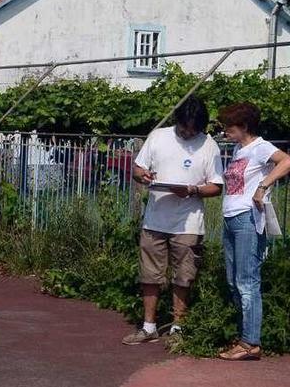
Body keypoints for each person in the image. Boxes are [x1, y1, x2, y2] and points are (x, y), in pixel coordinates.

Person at [122, 95, 224, 345]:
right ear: (177, 121)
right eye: (183, 128)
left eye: (193, 130)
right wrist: (142, 176)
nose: (188, 134)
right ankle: (149, 326)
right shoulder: (158, 136)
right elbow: (137, 168)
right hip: (155, 219)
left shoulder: (209, 145)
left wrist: (193, 190)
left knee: (184, 275)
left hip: (188, 223)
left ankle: (178, 327)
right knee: (150, 274)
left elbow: (216, 185)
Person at [216, 102, 290, 360]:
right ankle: (244, 335)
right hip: (230, 218)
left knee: (246, 281)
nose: (226, 131)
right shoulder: (238, 149)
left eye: (230, 127)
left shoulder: (260, 147)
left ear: (244, 126)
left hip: (247, 218)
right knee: (233, 280)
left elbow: (286, 161)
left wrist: (263, 185)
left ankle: (251, 342)